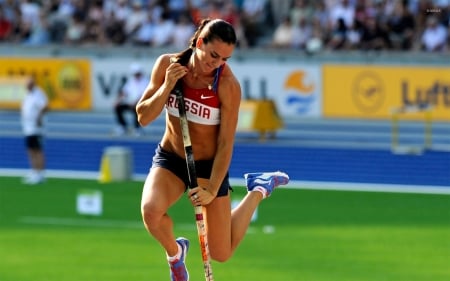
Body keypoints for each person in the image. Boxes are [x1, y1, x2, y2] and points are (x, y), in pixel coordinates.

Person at [136, 18, 289, 281]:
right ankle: (176, 255)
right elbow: (143, 116)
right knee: (150, 211)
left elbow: (226, 143)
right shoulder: (167, 65)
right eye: (213, 55)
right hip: (172, 157)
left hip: (209, 166)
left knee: (221, 252)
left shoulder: (227, 86)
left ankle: (258, 190)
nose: (216, 63)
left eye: (224, 59)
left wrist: (210, 188)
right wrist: (166, 86)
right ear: (198, 43)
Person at [21, 77, 49, 185]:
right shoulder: (28, 94)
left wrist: (39, 117)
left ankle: (40, 174)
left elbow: (45, 106)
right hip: (28, 127)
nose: (26, 86)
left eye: (28, 84)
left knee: (38, 150)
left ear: (33, 84)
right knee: (30, 150)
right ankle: (34, 171)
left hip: (36, 128)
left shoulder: (38, 93)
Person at [114, 62, 148, 136]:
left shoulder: (145, 82)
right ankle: (123, 126)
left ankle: (137, 128)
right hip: (130, 103)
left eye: (138, 73)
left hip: (140, 104)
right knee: (118, 107)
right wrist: (118, 100)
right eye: (135, 74)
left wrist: (135, 102)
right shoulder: (131, 81)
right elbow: (124, 92)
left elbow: (143, 95)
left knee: (137, 108)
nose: (137, 75)